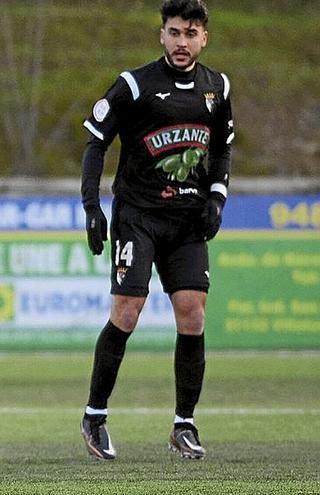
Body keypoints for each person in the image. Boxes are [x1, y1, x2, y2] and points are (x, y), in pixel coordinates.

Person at [77, 0, 233, 460]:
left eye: (190, 33)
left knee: (193, 314)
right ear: (161, 35)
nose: (181, 42)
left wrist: (218, 196)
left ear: (204, 37)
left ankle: (183, 424)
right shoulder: (134, 85)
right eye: (173, 32)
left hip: (187, 220)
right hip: (138, 217)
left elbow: (222, 149)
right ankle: (95, 415)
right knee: (127, 312)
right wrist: (92, 206)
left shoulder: (217, 87)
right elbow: (95, 144)